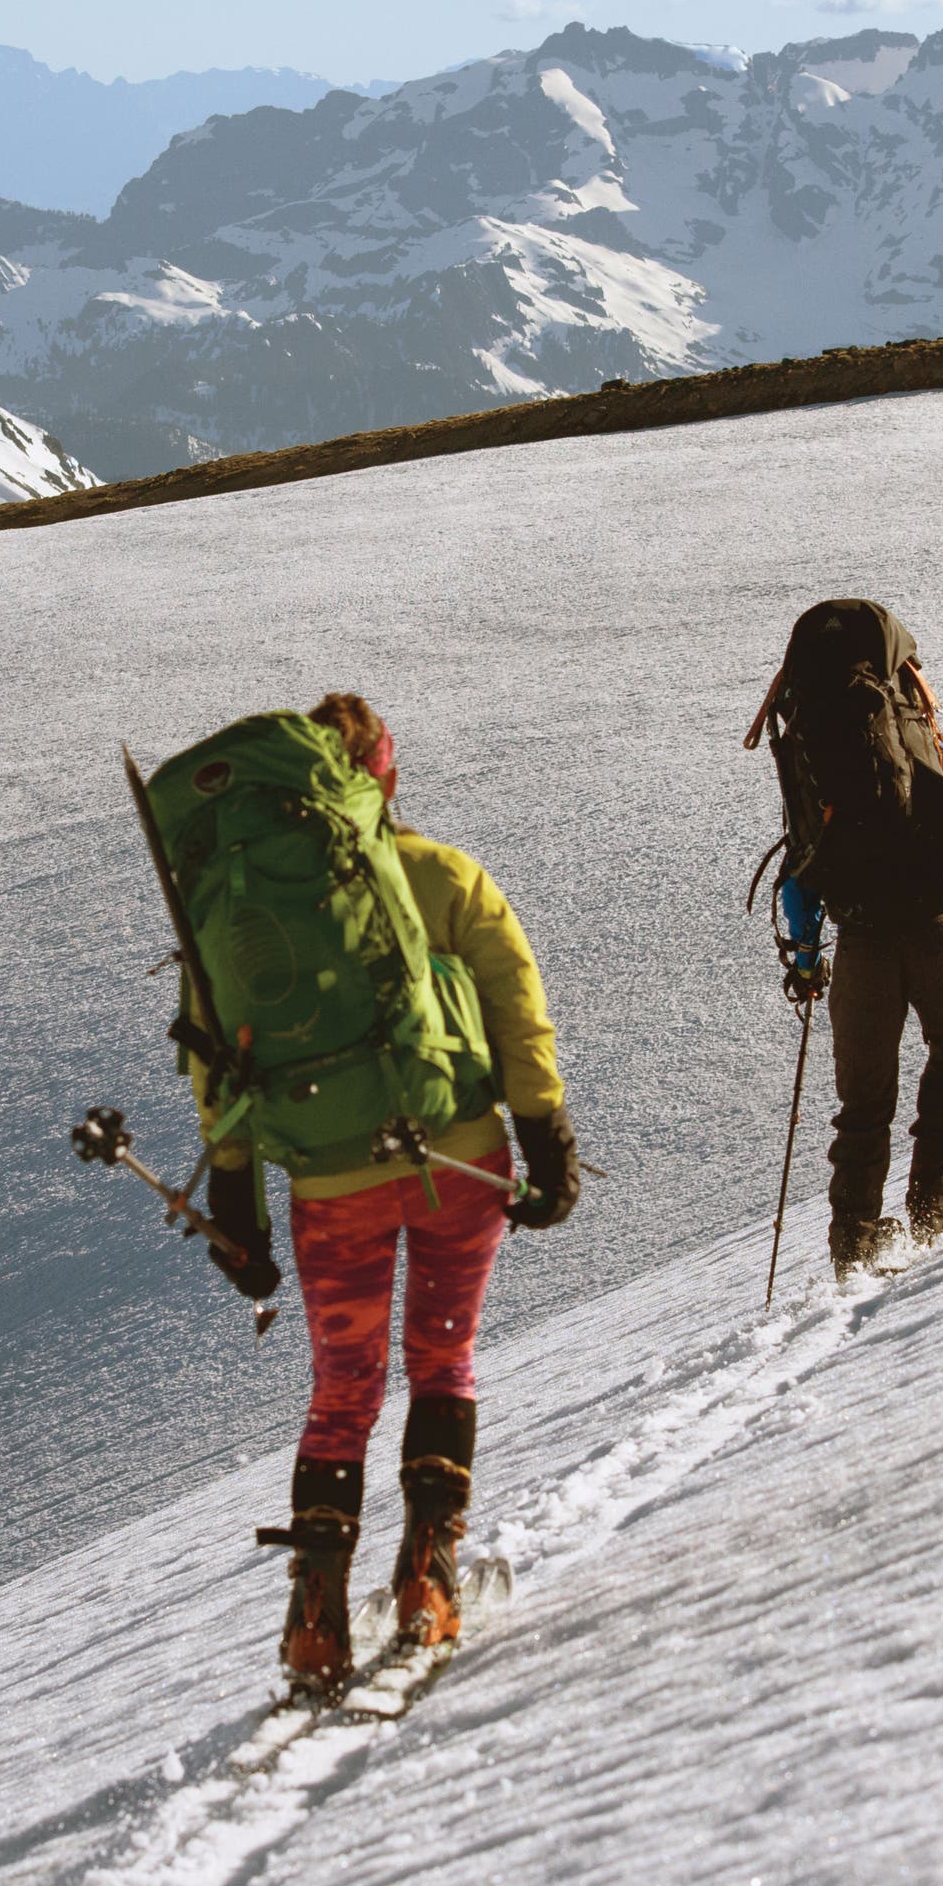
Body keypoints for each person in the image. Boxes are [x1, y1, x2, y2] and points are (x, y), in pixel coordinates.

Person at [202, 691, 577, 1695]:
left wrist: (234, 1206)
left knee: (343, 1389)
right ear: (382, 776)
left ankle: (316, 1618)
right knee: (442, 1359)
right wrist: (544, 1137)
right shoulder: (442, 873)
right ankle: (429, 1581)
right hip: (458, 1158)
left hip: (331, 1183)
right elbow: (516, 1007)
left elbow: (217, 1060)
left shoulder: (243, 910)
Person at [753, 601, 943, 1277]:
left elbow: (802, 869)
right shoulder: (930, 745)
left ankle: (853, 1242)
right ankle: (932, 1207)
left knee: (864, 1104)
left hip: (861, 941)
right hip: (936, 924)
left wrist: (805, 961)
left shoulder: (814, 762)